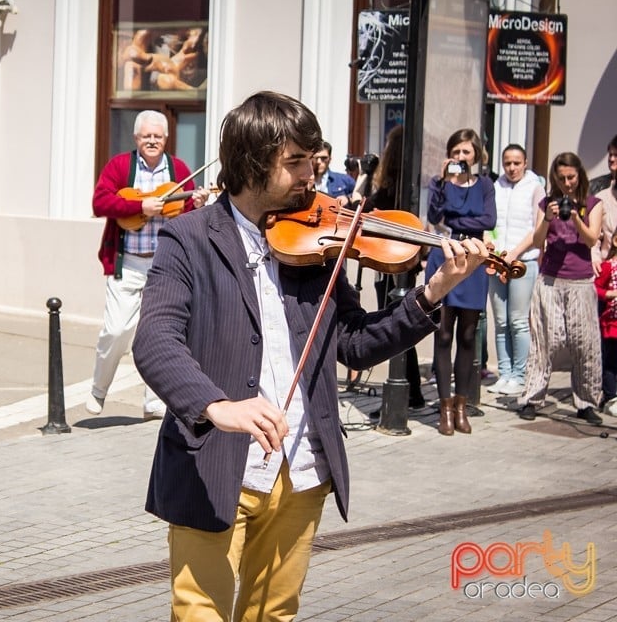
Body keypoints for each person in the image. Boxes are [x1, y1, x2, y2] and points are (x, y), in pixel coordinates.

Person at [131, 91, 489, 621]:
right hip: (214, 465)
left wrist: (432, 291)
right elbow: (156, 339)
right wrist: (216, 405)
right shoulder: (189, 239)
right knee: (199, 613)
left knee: (272, 616)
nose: (311, 177)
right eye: (296, 163)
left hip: (301, 469)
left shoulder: (316, 243)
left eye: (313, 161)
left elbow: (355, 342)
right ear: (253, 164)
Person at [86, 110, 208, 420]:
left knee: (160, 333)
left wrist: (198, 203)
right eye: (146, 136)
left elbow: (188, 213)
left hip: (164, 266)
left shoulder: (179, 169)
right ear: (137, 138)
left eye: (158, 136)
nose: (152, 141)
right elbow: (100, 202)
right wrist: (139, 206)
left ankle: (154, 402)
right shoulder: (120, 166)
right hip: (127, 264)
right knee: (116, 330)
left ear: (166, 139)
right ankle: (99, 389)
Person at [519, 152, 604, 423]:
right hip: (550, 280)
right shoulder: (547, 203)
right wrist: (548, 218)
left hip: (580, 282)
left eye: (571, 177)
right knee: (545, 341)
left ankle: (587, 402)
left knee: (584, 344)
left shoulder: (594, 203)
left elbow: (592, 241)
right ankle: (532, 398)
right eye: (561, 178)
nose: (567, 183)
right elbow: (537, 240)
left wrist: (576, 216)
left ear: (579, 176)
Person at [425, 128, 496, 436]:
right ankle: (444, 409)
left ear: (476, 155)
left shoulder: (485, 185)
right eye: (456, 152)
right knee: (442, 334)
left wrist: (455, 223)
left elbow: (488, 221)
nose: (460, 157)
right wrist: (442, 183)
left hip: (474, 259)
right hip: (444, 257)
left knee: (468, 335)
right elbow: (433, 214)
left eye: (466, 152)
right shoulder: (439, 183)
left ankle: (461, 406)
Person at [362, 125, 426, 409]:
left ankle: (407, 391)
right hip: (405, 259)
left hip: (390, 259)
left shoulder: (390, 185)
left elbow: (364, 207)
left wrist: (367, 175)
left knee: (395, 325)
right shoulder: (414, 184)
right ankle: (414, 391)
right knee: (405, 320)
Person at [485, 144, 543, 396]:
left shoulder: (535, 187)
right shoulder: (496, 187)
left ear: (525, 162)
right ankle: (505, 373)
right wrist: (494, 252)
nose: (512, 168)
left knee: (518, 320)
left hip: (523, 262)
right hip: (498, 261)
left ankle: (520, 375)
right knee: (500, 321)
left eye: (516, 162)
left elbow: (537, 229)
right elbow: (491, 224)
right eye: (507, 162)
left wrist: (515, 253)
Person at [595, 230, 617, 416]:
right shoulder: (609, 266)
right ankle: (610, 396)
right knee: (610, 361)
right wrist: (609, 294)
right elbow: (597, 288)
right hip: (611, 323)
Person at [591, 134, 617, 273]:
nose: (612, 159)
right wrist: (595, 259)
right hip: (607, 270)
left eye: (616, 155)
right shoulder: (598, 190)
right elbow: (593, 236)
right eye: (610, 154)